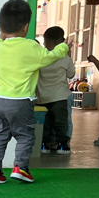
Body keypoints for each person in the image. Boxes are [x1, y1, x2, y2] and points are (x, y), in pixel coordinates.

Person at [0, 0, 69, 185]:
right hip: (21, 101)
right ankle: (21, 168)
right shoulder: (31, 47)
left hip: (0, 101)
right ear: (26, 26)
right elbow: (52, 56)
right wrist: (63, 46)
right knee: (26, 135)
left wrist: (0, 37)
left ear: (1, 27)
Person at [37, 26, 75, 154]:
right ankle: (62, 145)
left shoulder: (41, 57)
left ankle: (44, 145)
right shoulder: (65, 58)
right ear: (60, 41)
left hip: (42, 97)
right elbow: (71, 74)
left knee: (45, 124)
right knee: (60, 123)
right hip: (59, 97)